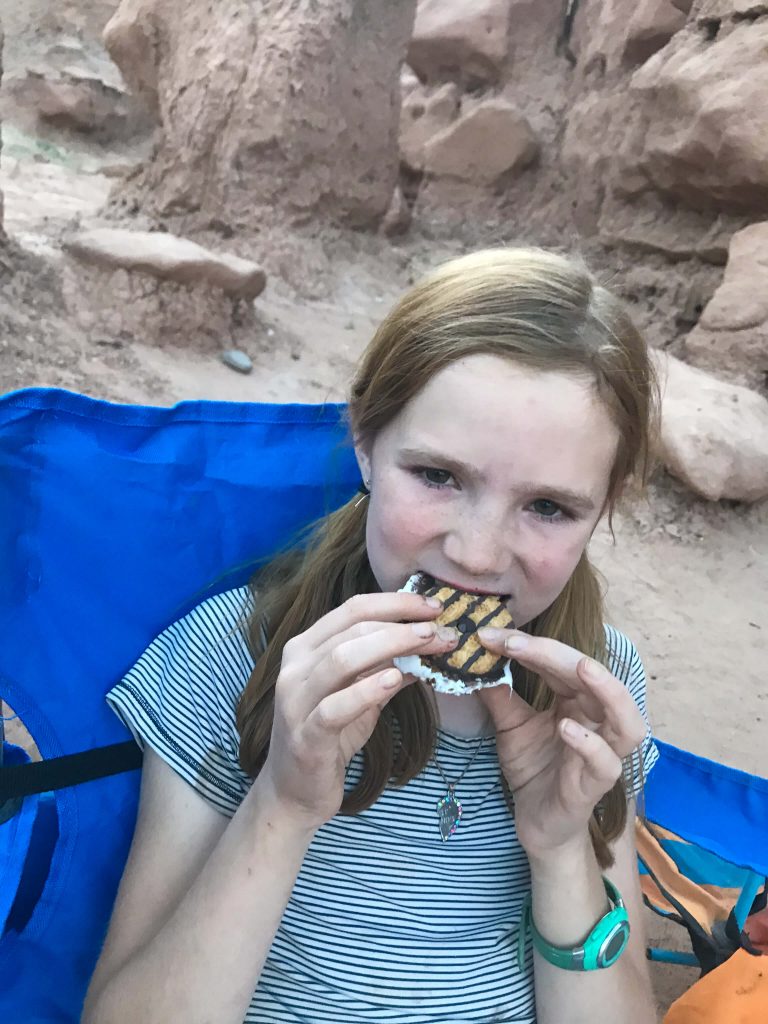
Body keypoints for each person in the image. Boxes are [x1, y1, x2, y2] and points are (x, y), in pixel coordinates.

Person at [82, 247, 660, 1024]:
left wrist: (561, 851)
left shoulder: (596, 687)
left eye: (550, 508)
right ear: (365, 440)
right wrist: (284, 801)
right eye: (439, 477)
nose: (477, 555)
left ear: (604, 507)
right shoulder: (232, 657)